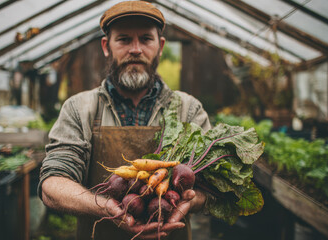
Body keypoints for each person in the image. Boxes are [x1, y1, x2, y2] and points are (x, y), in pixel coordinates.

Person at [38, 1, 212, 239]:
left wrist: (191, 201)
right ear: (106, 46)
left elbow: (209, 187)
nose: (136, 49)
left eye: (146, 39)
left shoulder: (188, 110)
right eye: (124, 39)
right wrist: (104, 206)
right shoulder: (79, 108)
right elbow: (52, 184)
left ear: (160, 46)